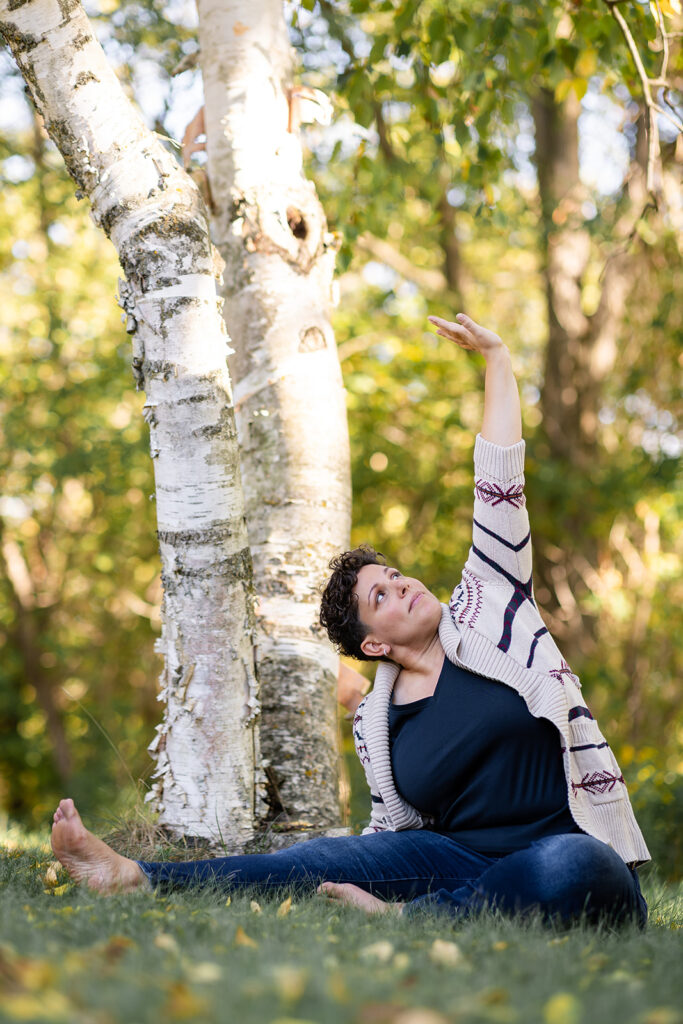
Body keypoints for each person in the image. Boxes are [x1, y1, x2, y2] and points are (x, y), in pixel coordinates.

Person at [50, 313, 649, 927]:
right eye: (381, 597)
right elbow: (388, 827)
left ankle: (417, 918)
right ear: (372, 642)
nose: (402, 586)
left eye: (394, 577)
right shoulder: (377, 721)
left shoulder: (491, 605)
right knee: (323, 856)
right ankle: (136, 876)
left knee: (571, 864)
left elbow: (500, 481)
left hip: (573, 860)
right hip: (458, 859)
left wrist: (497, 360)